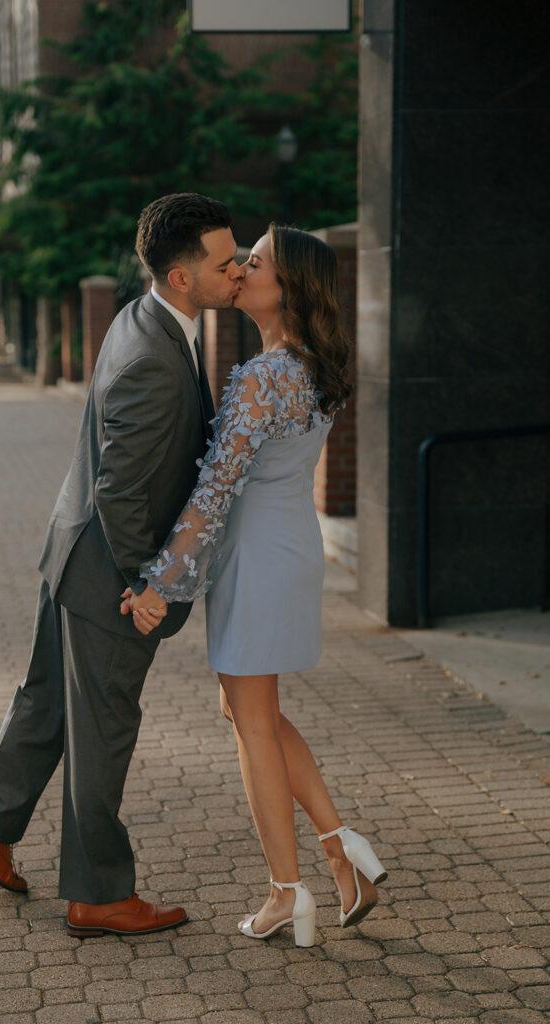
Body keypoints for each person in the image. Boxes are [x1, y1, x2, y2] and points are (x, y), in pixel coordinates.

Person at [0, 193, 244, 937]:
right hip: (108, 573)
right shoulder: (153, 353)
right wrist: (145, 582)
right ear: (182, 277)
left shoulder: (141, 317)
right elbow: (122, 486)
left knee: (46, 703)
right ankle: (99, 893)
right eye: (224, 260)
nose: (237, 269)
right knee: (101, 729)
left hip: (72, 555)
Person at [124, 225, 387, 947]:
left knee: (251, 722)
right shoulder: (308, 365)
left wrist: (159, 584)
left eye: (256, 262)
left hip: (257, 559)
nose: (239, 269)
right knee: (249, 714)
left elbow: (214, 489)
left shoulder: (266, 375)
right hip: (286, 549)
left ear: (287, 287)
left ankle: (284, 893)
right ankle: (341, 853)